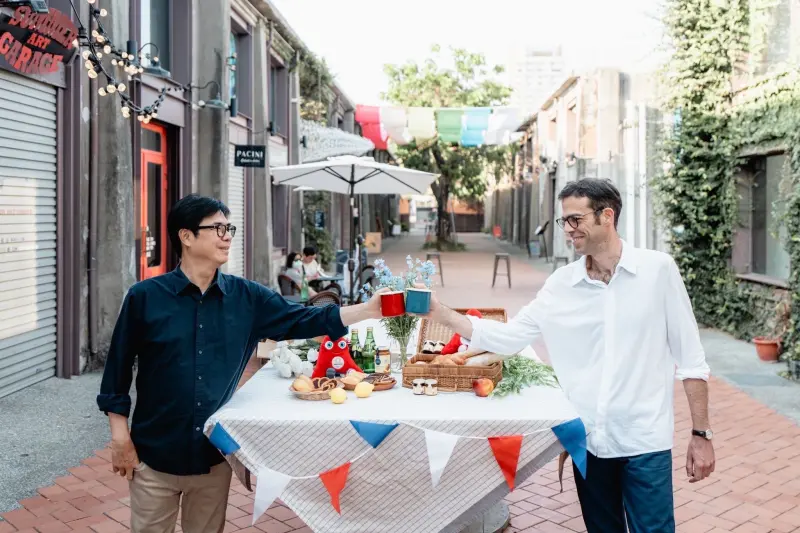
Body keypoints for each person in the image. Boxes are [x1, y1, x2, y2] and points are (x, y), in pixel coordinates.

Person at [420, 178, 714, 533]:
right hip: (587, 440)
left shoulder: (658, 271)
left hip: (644, 440)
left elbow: (692, 359)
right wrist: (441, 313)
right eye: (564, 222)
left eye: (575, 220)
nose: (567, 230)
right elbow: (510, 337)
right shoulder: (561, 285)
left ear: (607, 216)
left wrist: (701, 434)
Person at [97, 194, 387, 533]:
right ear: (186, 236)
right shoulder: (145, 297)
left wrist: (368, 310)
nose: (227, 235)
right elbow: (117, 369)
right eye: (217, 227)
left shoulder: (248, 298)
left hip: (212, 458)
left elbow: (305, 319)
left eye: (229, 227)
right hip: (154, 455)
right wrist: (120, 437)